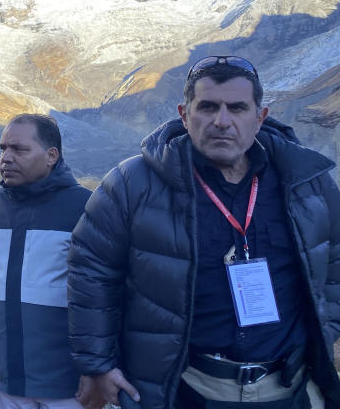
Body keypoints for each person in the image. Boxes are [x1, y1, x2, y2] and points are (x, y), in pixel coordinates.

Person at [69, 56, 340, 409]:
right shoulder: (131, 184)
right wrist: (97, 363)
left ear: (260, 117)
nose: (222, 121)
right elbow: (91, 270)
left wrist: (328, 326)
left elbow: (334, 256)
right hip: (187, 391)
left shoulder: (307, 180)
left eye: (237, 108)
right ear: (184, 114)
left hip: (291, 389)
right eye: (208, 107)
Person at [0, 114, 90, 409]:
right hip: (8, 377)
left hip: (67, 382)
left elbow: (106, 294)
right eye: (3, 148)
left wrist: (98, 367)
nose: (6, 158)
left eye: (19, 150)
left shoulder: (86, 207)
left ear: (51, 156)